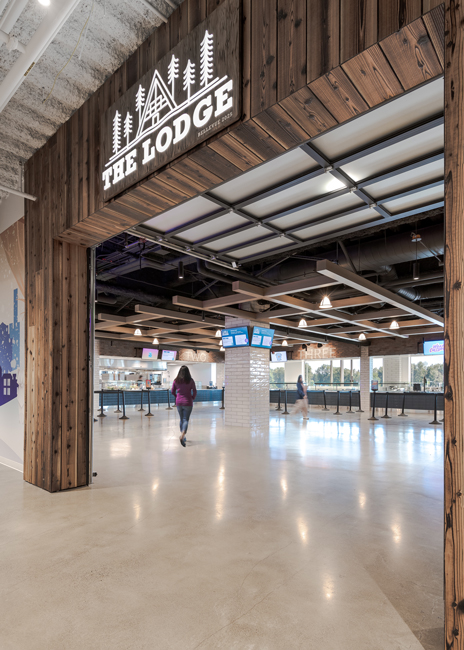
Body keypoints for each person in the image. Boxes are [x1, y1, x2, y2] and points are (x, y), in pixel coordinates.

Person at [171, 366, 197, 447]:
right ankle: (183, 435)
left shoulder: (176, 381)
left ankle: (183, 436)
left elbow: (172, 391)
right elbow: (195, 391)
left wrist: (177, 396)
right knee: (185, 419)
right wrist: (192, 398)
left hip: (179, 402)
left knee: (181, 419)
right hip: (188, 402)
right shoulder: (191, 380)